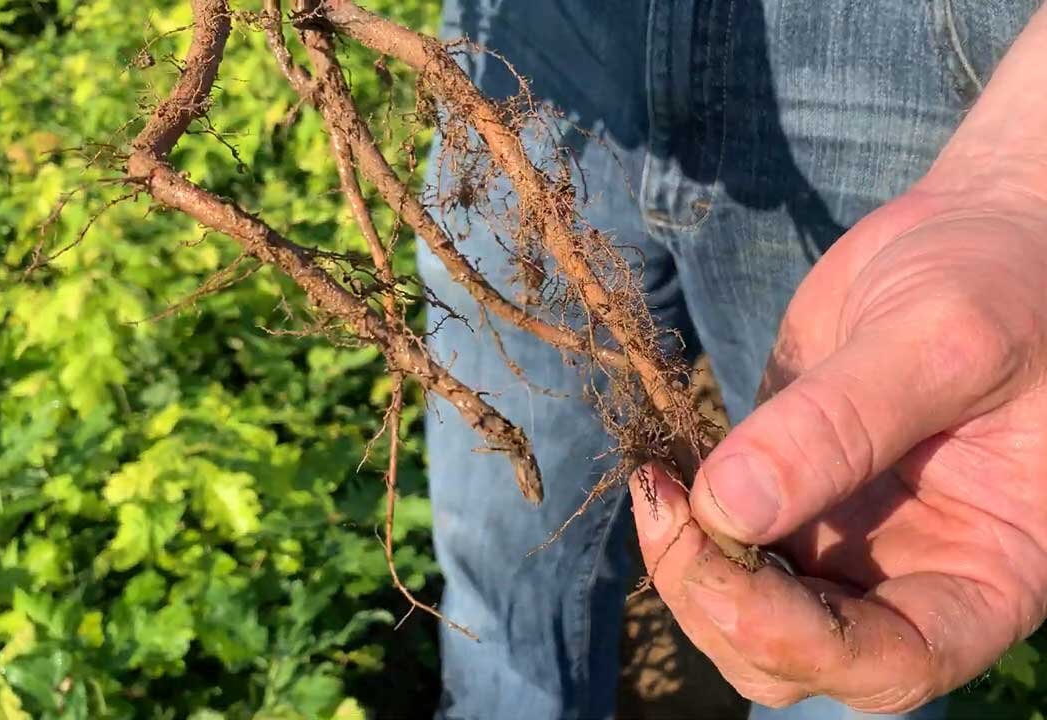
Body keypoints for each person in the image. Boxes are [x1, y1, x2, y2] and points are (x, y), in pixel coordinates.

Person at [416, 1, 1047, 718]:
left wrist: (1024, 173)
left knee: (853, 591)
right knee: (501, 564)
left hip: (910, 52)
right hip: (534, 41)